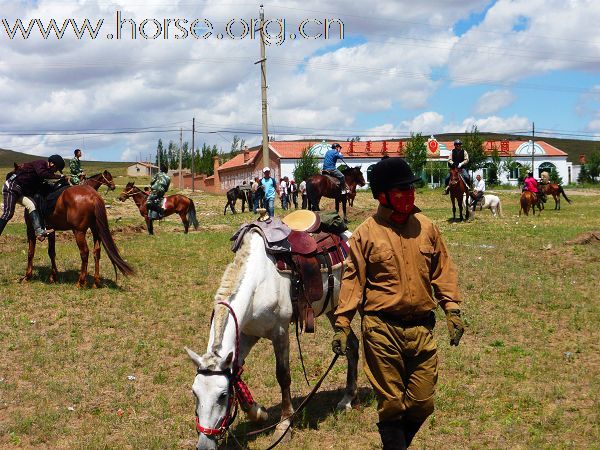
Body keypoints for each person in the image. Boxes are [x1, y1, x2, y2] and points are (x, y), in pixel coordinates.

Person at [332, 157, 465, 449]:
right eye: (401, 190)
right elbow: (353, 281)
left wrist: (452, 309)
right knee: (392, 404)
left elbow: (442, 271)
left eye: (411, 188)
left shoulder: (427, 227)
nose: (409, 194)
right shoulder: (366, 233)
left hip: (421, 330)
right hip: (382, 330)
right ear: (383, 195)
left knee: (422, 402)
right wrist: (342, 323)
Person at [1, 155, 65, 241]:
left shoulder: (43, 174)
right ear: (52, 164)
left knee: (31, 205)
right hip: (11, 187)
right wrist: (59, 176)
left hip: (20, 192)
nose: (55, 171)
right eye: (56, 169)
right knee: (8, 214)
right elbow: (42, 174)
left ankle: (39, 232)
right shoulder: (40, 163)